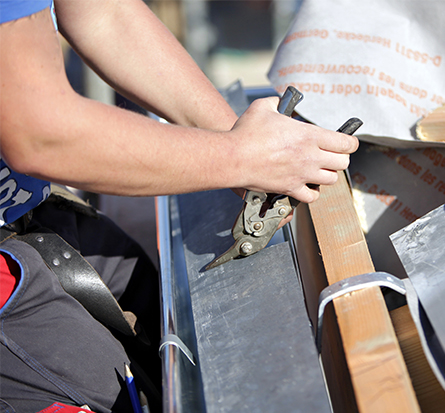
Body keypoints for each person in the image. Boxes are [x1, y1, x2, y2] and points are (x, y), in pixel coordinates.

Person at [0, 0, 359, 412]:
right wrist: (239, 157)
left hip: (29, 206)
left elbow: (104, 15)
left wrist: (244, 148)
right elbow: (38, 134)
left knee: (146, 318)